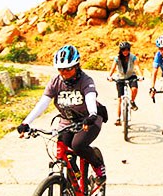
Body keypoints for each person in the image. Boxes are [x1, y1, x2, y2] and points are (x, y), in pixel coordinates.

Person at [17, 44, 107, 185]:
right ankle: (73, 179)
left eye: (68, 69)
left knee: (77, 145)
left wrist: (92, 114)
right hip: (67, 121)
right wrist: (26, 122)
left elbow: (90, 97)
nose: (64, 73)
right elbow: (43, 103)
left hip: (88, 120)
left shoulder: (86, 80)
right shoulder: (55, 82)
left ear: (76, 66)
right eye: (60, 69)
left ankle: (98, 166)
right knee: (62, 148)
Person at [107, 41, 144, 126]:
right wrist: (109, 76)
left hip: (131, 76)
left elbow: (137, 66)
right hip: (120, 77)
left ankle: (132, 101)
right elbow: (113, 68)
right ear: (121, 50)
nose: (125, 51)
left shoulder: (133, 57)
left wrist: (141, 76)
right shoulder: (117, 58)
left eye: (127, 49)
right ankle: (118, 118)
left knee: (134, 89)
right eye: (123, 50)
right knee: (120, 98)